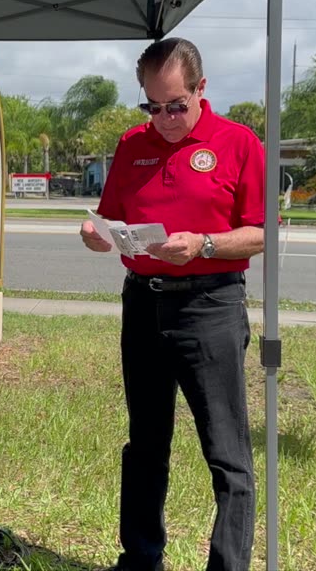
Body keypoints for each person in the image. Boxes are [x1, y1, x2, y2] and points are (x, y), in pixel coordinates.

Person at [80, 37, 265, 571]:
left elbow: (258, 234)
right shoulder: (131, 144)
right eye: (152, 106)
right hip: (143, 304)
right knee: (145, 444)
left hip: (209, 305)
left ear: (201, 90)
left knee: (226, 452)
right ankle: (140, 559)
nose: (163, 118)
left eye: (176, 105)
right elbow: (108, 214)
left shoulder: (238, 143)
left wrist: (203, 244)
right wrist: (96, 233)